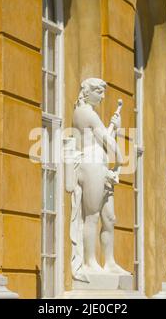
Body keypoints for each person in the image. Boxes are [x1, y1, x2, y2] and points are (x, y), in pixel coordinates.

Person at [70, 78, 128, 282]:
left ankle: (109, 262)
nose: (103, 97)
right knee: (92, 216)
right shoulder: (86, 113)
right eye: (99, 92)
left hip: (101, 167)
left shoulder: (90, 115)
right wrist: (120, 161)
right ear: (87, 92)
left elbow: (101, 137)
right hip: (91, 165)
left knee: (109, 218)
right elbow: (107, 140)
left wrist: (115, 127)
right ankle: (89, 262)